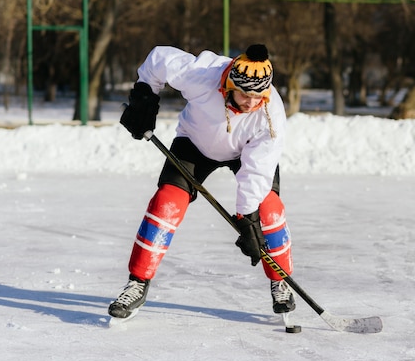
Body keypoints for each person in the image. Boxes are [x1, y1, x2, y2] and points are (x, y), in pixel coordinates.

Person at [108, 44, 295, 319]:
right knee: (166, 203)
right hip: (195, 143)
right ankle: (137, 282)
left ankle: (280, 280)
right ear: (229, 84)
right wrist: (144, 97)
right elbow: (159, 59)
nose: (253, 103)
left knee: (268, 209)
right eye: (246, 94)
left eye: (260, 96)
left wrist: (247, 218)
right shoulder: (203, 74)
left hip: (244, 152)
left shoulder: (270, 115)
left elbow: (256, 172)